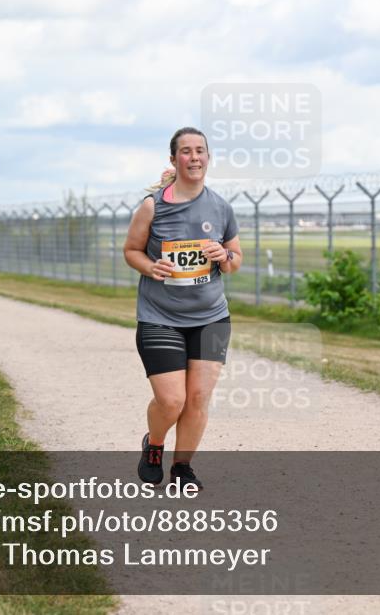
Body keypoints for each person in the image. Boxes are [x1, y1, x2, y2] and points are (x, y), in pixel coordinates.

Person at [123, 127, 243, 490]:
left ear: (208, 157)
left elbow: (236, 260)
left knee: (198, 398)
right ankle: (154, 444)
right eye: (186, 151)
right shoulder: (153, 206)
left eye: (200, 150)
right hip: (160, 317)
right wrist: (151, 267)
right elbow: (132, 250)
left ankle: (182, 467)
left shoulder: (221, 207)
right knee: (172, 400)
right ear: (174, 159)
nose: (194, 157)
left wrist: (224, 256)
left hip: (211, 319)